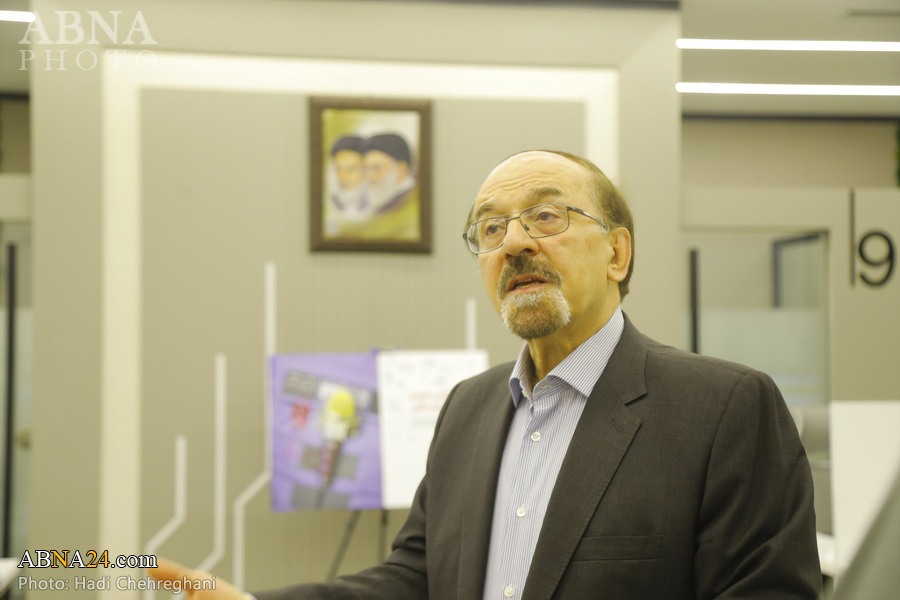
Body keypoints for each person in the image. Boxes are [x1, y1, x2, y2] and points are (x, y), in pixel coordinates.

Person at [150, 150, 822, 599]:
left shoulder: (724, 408)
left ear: (617, 253)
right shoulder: (467, 409)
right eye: (491, 229)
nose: (515, 242)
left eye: (546, 216)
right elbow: (418, 579)